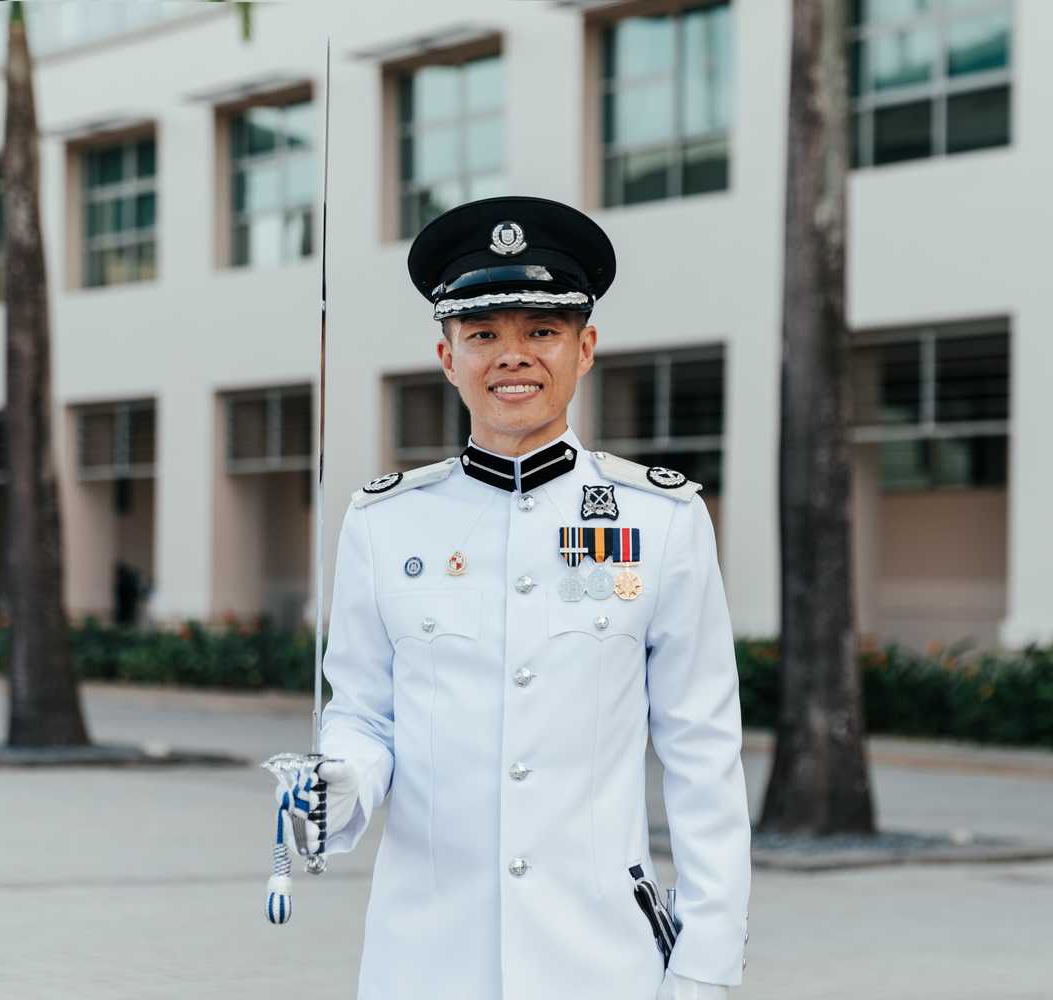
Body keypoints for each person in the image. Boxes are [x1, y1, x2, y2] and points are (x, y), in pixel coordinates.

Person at [292, 196, 750, 1000]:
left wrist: (706, 966)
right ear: (446, 355)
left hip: (601, 959)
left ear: (586, 349)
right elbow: (362, 711)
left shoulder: (663, 521)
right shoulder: (385, 524)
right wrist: (342, 781)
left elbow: (703, 756)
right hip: (427, 957)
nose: (513, 357)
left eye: (541, 331)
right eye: (484, 336)